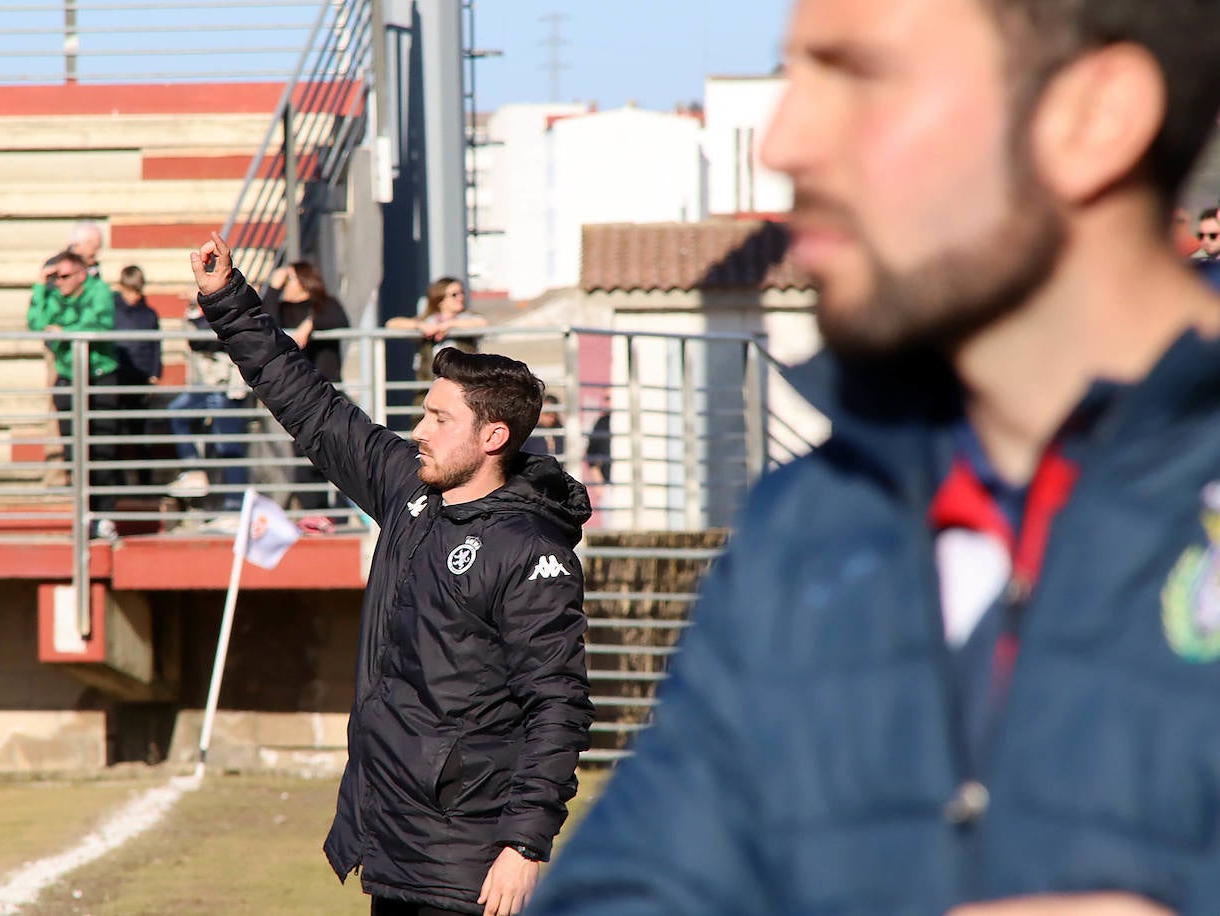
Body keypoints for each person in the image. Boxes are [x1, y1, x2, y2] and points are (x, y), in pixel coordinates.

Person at [529, 0, 1220, 914]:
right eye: (791, 77)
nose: (783, 141)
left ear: (1094, 117)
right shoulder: (807, 531)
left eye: (859, 75)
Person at [191, 232, 594, 916]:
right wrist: (228, 300)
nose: (419, 429)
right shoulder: (408, 489)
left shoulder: (529, 549)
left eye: (439, 417)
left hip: (470, 857)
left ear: (492, 436)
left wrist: (524, 847)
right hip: (391, 841)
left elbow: (558, 706)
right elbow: (310, 404)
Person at [27, 250, 119, 538]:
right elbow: (36, 322)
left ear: (81, 274)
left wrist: (65, 330)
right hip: (69, 377)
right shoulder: (53, 294)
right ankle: (84, 516)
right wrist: (41, 286)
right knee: (73, 450)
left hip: (99, 377)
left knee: (102, 448)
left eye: (64, 276)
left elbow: (100, 323)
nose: (59, 282)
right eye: (55, 277)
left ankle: (104, 516)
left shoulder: (99, 290)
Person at [262, 260, 351, 528]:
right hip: (297, 396)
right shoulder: (283, 310)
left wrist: (310, 324)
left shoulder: (325, 305)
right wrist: (273, 288)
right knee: (303, 453)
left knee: (342, 450)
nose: (286, 286)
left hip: (329, 392)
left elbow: (339, 320)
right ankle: (315, 515)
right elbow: (264, 322)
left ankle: (346, 511)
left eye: (290, 280)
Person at [166, 293, 250, 530]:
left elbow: (221, 336)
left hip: (229, 385)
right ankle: (194, 470)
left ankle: (235, 507)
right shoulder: (200, 314)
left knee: (228, 446)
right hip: (210, 383)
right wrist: (197, 318)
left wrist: (201, 322)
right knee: (177, 411)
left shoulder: (232, 302)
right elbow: (198, 340)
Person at [112, 265, 162, 487]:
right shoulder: (112, 311)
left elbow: (155, 346)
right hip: (116, 378)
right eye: (130, 290)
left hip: (140, 378)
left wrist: (155, 373)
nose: (134, 296)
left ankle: (145, 482)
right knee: (114, 431)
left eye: (137, 291)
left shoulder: (148, 314)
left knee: (140, 432)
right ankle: (117, 482)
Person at [386, 276, 489, 383]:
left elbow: (482, 323)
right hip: (430, 383)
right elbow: (391, 324)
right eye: (454, 295)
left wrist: (448, 325)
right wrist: (420, 326)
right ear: (439, 298)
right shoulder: (427, 320)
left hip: (464, 382)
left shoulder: (467, 318)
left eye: (462, 293)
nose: (460, 297)